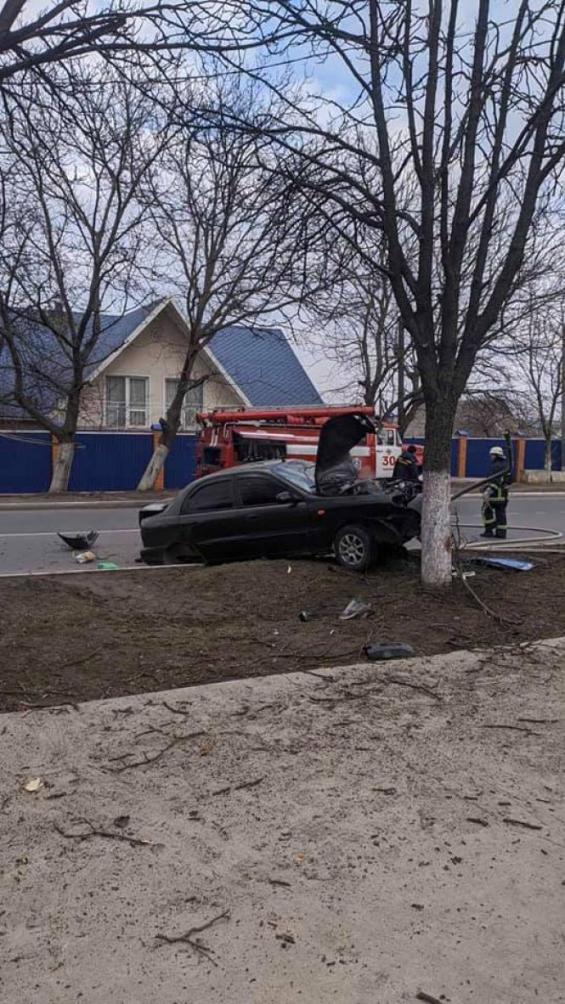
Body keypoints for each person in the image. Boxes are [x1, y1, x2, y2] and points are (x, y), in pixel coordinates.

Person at [481, 445, 511, 539]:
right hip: (504, 495)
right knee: (501, 514)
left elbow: (493, 480)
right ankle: (501, 533)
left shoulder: (495, 466)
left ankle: (489, 530)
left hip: (494, 494)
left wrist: (487, 490)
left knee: (486, 510)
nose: (491, 457)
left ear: (496, 455)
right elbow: (510, 479)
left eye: (492, 455)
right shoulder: (506, 465)